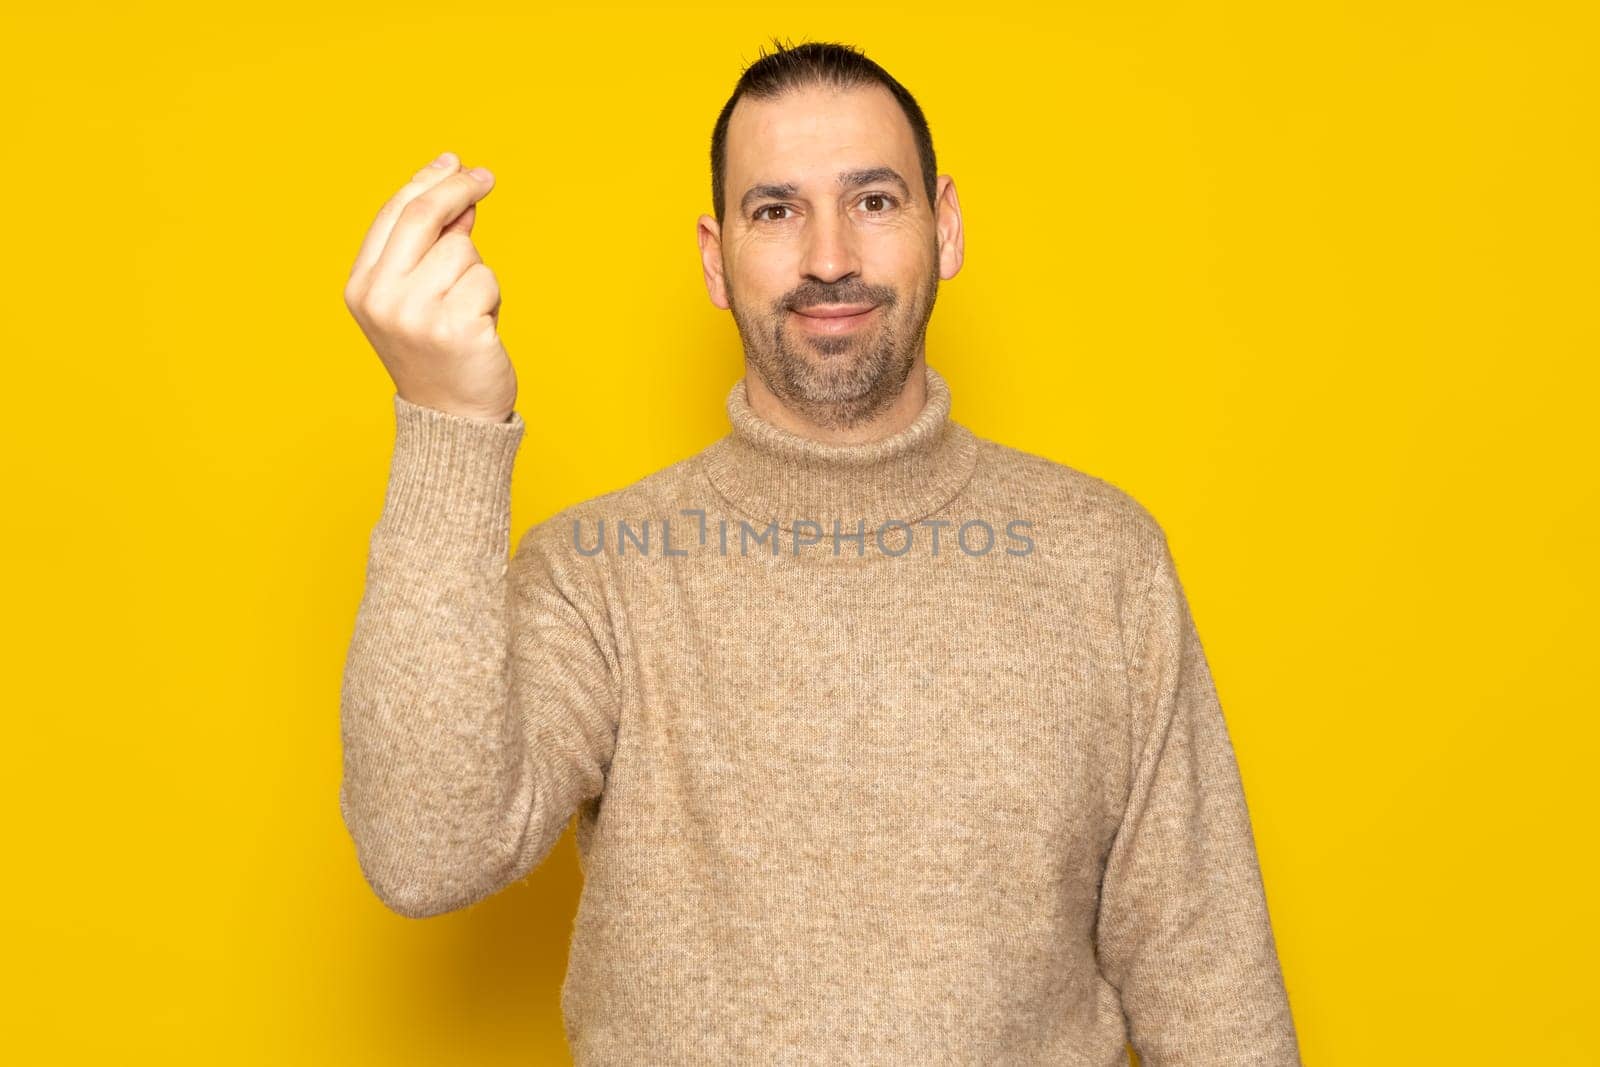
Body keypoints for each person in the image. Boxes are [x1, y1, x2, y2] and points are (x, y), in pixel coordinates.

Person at [338, 38, 1302, 1066]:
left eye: (874, 201)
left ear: (948, 225)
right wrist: (448, 420)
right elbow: (426, 848)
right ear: (715, 258)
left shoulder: (1102, 559)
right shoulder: (601, 571)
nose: (829, 255)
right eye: (775, 209)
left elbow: (1210, 986)